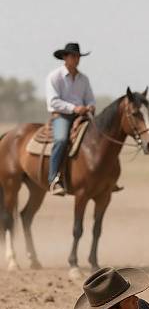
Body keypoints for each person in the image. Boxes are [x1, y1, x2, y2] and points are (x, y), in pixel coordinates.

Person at [45, 42, 95, 196]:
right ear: (65, 57)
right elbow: (53, 101)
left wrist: (91, 106)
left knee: (101, 136)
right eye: (73, 56)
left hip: (82, 116)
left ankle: (104, 178)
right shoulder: (55, 77)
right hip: (62, 116)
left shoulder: (83, 79)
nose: (77, 59)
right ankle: (53, 179)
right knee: (60, 140)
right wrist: (74, 108)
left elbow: (90, 99)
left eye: (78, 56)